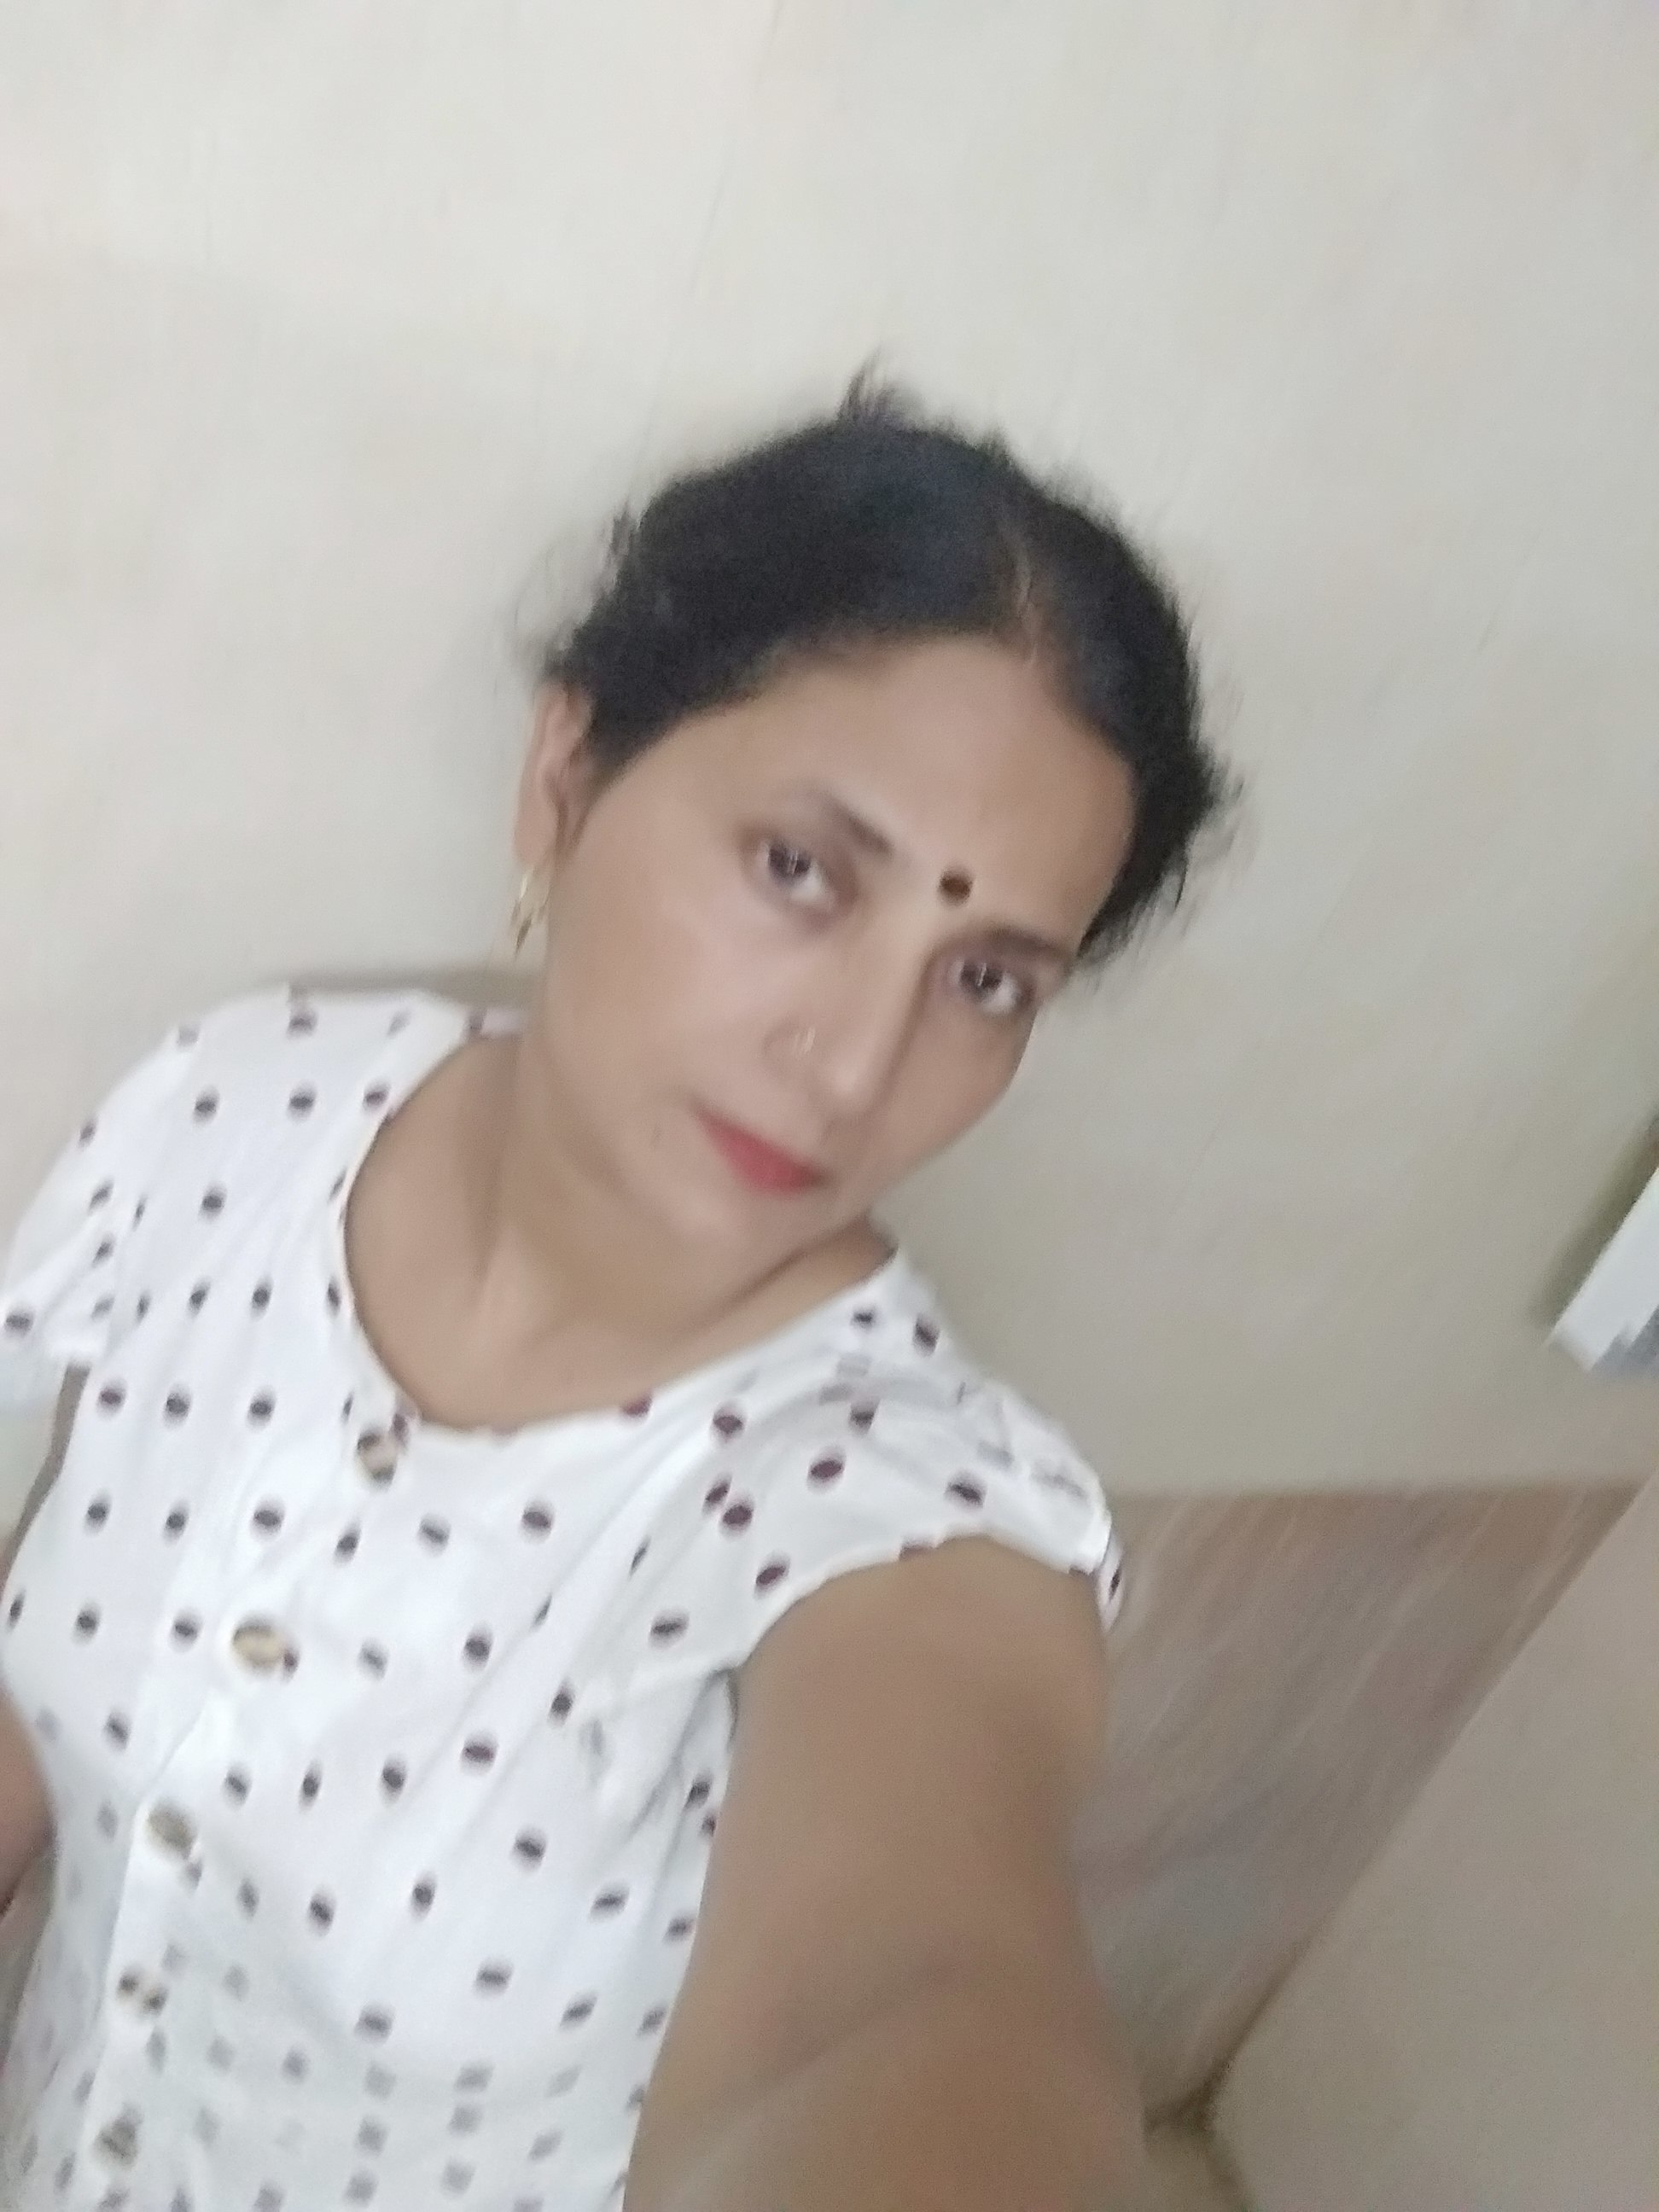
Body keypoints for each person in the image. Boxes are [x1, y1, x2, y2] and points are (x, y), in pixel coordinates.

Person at [0, 383, 1230, 2212]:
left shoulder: (892, 1513)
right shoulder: (239, 1112)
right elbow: (61, 1671)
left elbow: (912, 1995)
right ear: (564, 781)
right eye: (803, 873)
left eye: (987, 981)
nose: (851, 1064)